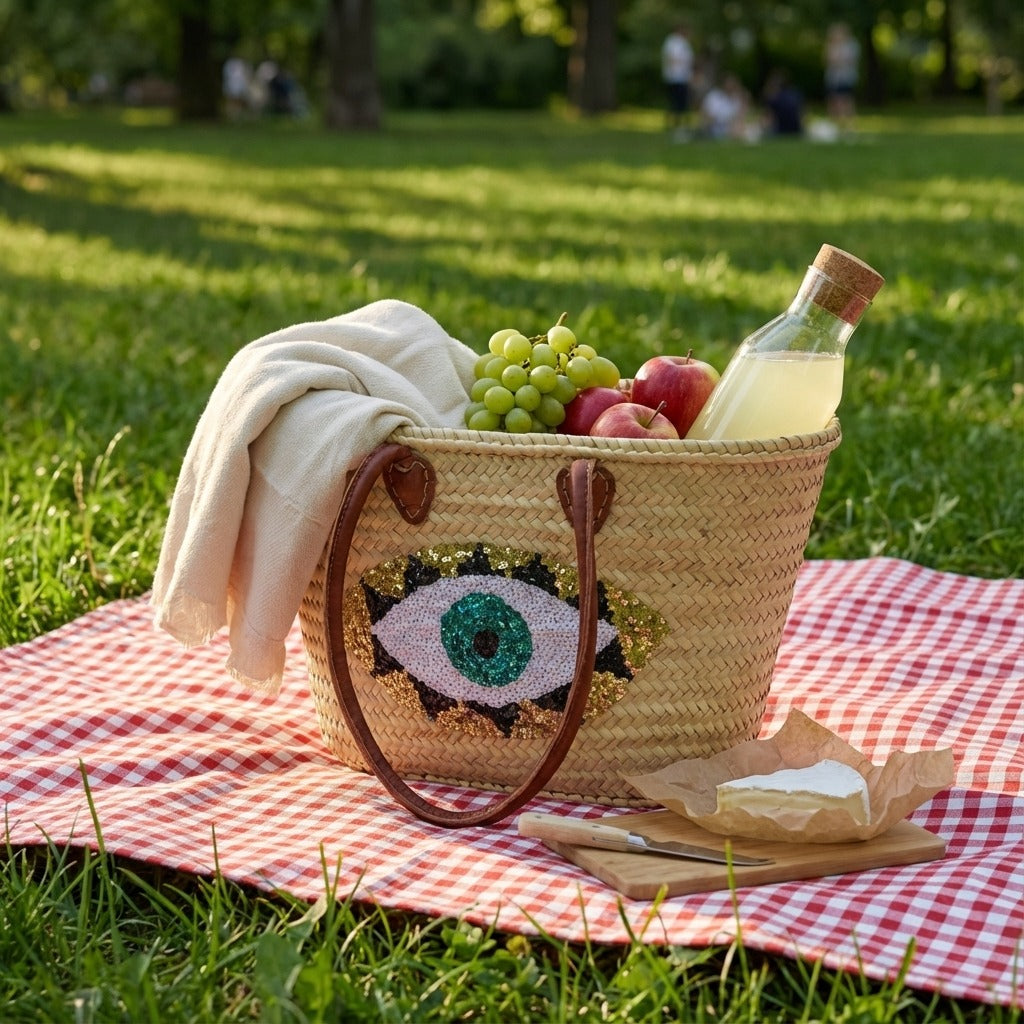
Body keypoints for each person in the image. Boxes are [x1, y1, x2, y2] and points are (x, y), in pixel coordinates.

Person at [824, 22, 859, 132]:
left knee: (846, 101)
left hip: (846, 78)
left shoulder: (851, 46)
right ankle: (835, 127)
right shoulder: (831, 46)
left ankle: (849, 127)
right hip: (833, 78)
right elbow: (828, 60)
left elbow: (850, 61)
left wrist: (838, 60)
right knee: (833, 101)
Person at [661, 22, 694, 139]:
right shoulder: (672, 42)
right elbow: (671, 59)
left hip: (683, 78)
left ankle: (681, 127)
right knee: (676, 103)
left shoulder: (683, 43)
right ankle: (675, 127)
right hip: (675, 78)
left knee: (682, 103)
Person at [699, 74, 750, 140]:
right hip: (713, 127)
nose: (730, 86)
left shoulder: (736, 98)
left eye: (733, 85)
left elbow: (741, 117)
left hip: (730, 128)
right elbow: (705, 114)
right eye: (729, 84)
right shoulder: (714, 96)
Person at [762, 69, 804, 137]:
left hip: (780, 131)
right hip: (797, 130)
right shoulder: (796, 94)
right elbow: (802, 115)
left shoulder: (774, 98)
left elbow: (768, 120)